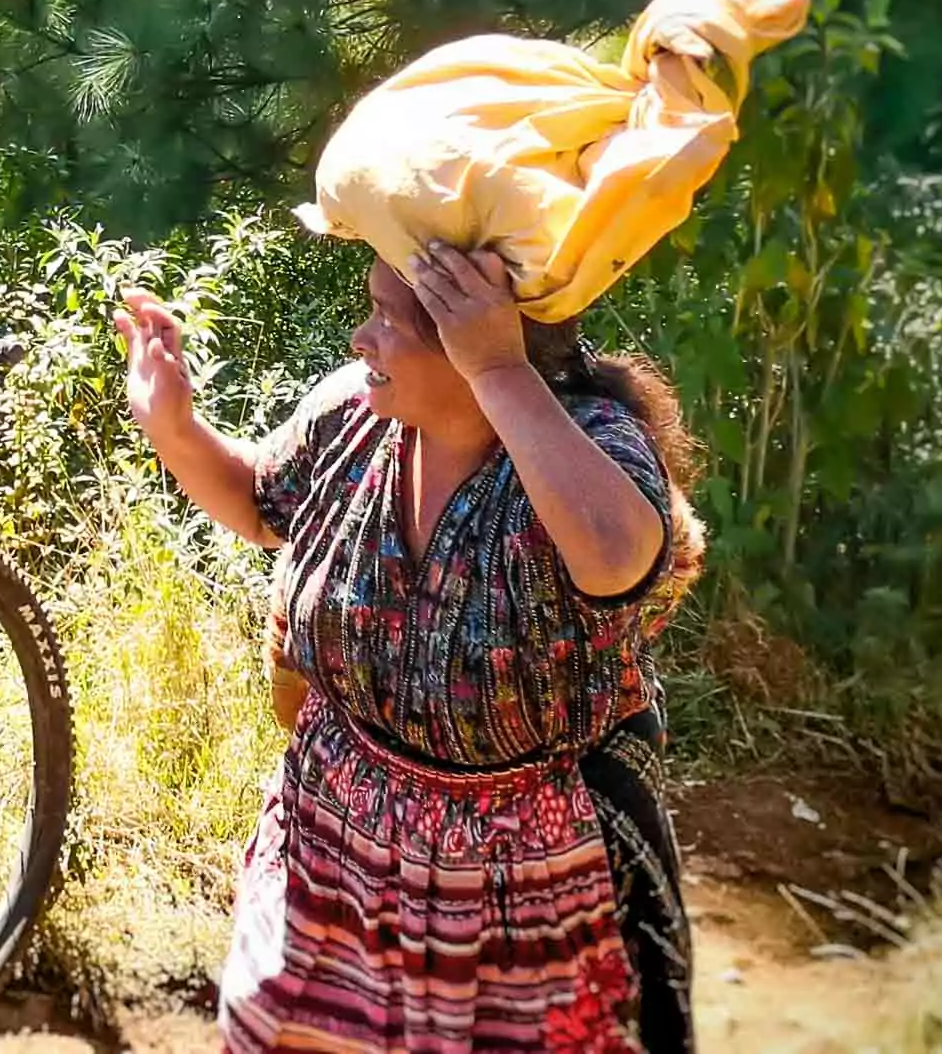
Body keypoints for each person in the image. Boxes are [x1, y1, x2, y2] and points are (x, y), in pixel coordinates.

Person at [115, 242, 704, 1053]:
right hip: (333, 864)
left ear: (478, 343)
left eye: (389, 321)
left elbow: (619, 557)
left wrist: (501, 371)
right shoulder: (356, 415)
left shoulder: (588, 441)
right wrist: (175, 427)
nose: (362, 339)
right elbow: (259, 501)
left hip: (524, 900)